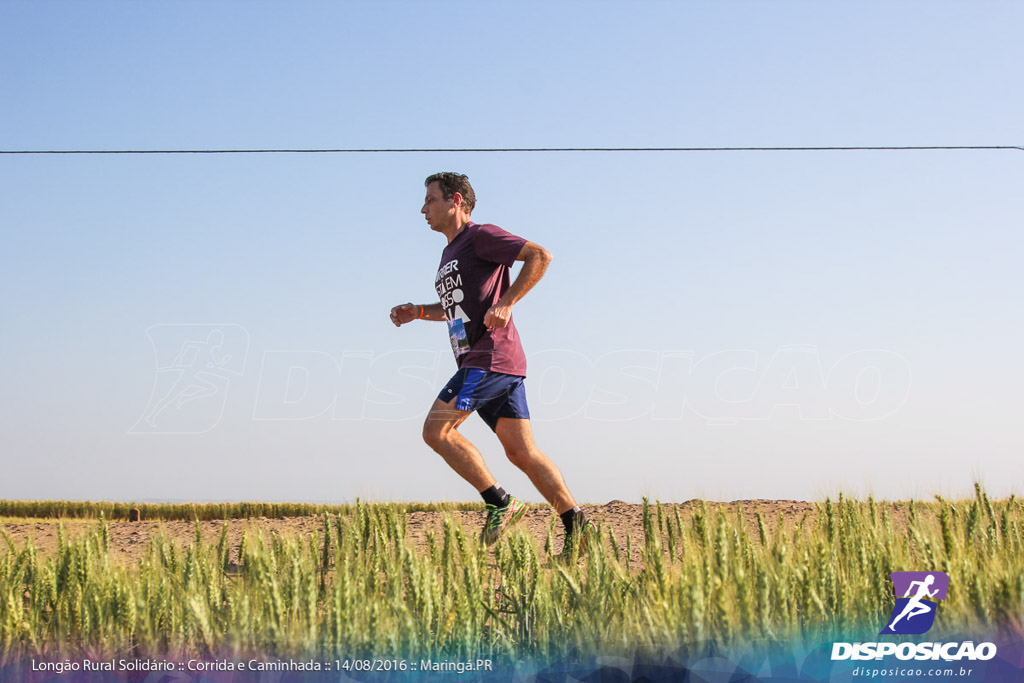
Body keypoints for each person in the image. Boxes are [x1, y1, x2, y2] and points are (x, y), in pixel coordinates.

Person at [390, 172, 595, 559]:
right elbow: (459, 308)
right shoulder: (449, 252)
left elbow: (539, 255)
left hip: (489, 358)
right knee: (522, 452)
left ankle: (500, 502)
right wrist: (418, 311)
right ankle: (578, 526)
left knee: (437, 431)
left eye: (430, 200)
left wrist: (508, 302)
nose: (423, 209)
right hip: (495, 363)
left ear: (455, 201)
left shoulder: (480, 235)